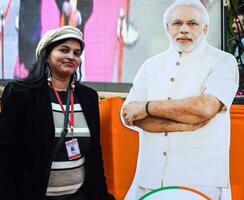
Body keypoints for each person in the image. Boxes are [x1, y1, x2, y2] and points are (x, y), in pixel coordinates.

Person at [121, 0, 239, 199]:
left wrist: (148, 107)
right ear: (167, 27)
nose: (184, 29)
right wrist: (185, 123)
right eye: (177, 23)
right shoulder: (151, 65)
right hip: (149, 179)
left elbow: (206, 108)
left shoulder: (223, 62)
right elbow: (129, 115)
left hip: (200, 181)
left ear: (205, 28)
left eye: (192, 23)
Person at [0, 25, 114, 200]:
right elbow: (5, 153)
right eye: (64, 50)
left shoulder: (89, 97)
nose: (71, 56)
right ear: (46, 55)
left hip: (79, 196)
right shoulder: (21, 93)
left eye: (77, 53)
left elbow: (95, 155)